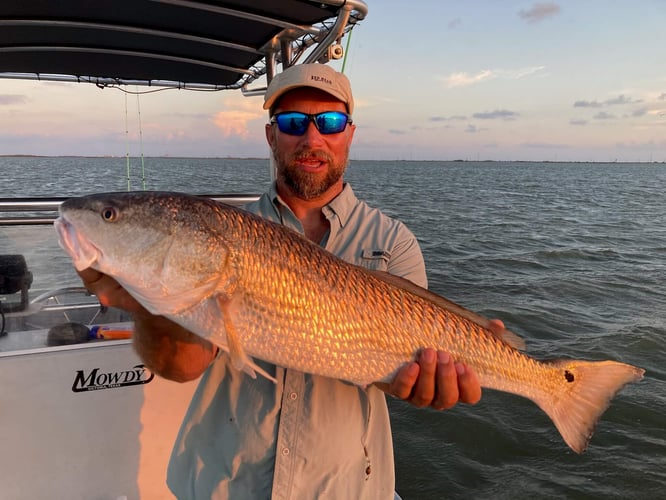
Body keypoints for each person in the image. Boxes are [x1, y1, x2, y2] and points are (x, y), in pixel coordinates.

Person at [78, 63, 491, 499]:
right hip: (226, 485)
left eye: (329, 122)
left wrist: (426, 383)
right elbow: (181, 367)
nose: (312, 139)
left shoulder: (393, 242)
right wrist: (148, 306)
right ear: (271, 135)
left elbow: (398, 374)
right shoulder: (223, 231)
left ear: (350, 133)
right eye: (294, 122)